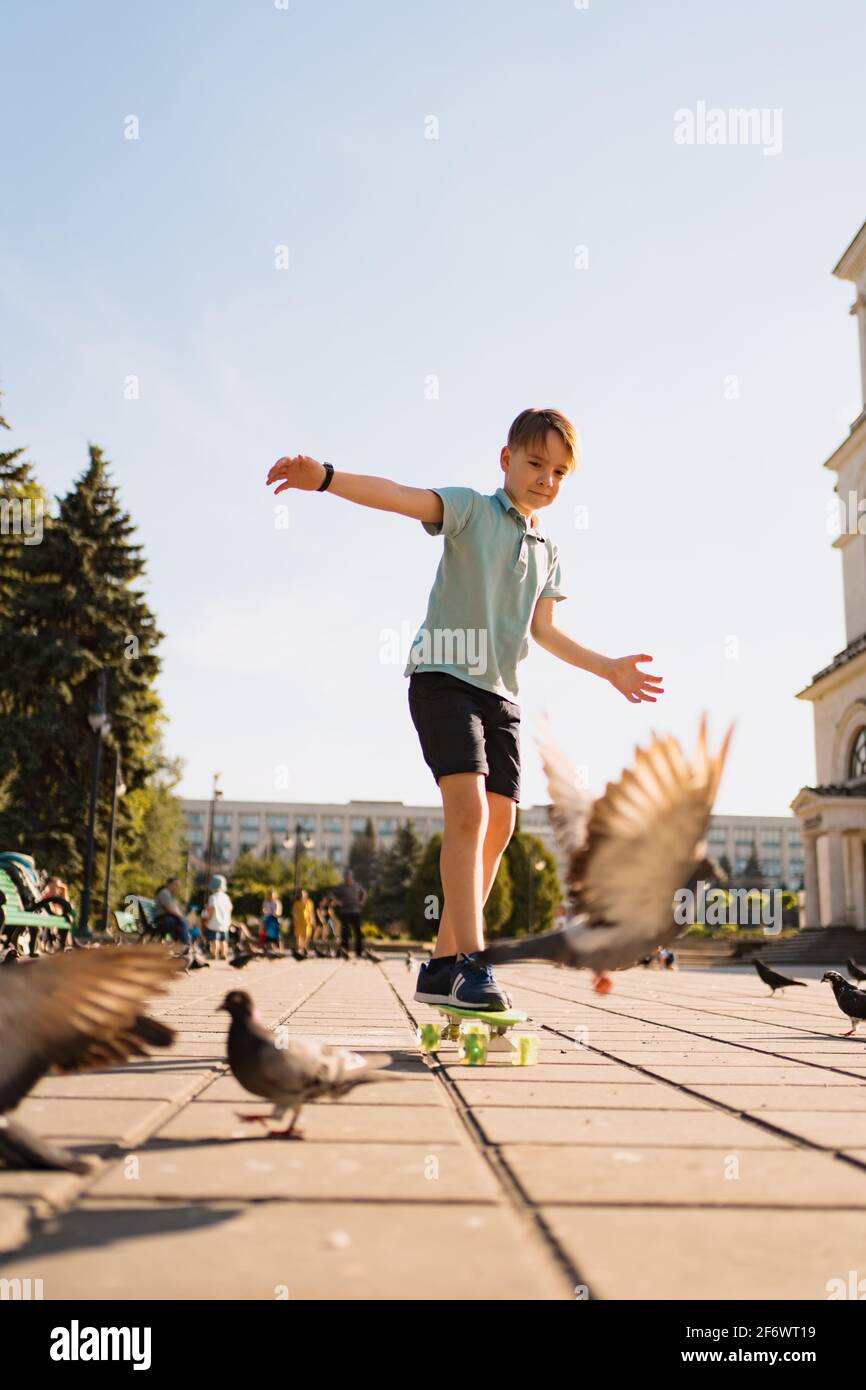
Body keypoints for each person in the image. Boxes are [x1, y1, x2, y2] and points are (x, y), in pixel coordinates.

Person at [267, 408, 664, 1010]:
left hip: (502, 696)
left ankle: (438, 964)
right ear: (506, 459)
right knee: (469, 810)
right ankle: (471, 964)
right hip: (443, 679)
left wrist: (607, 666)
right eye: (535, 464)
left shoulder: (548, 549)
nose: (545, 480)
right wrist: (323, 475)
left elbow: (546, 632)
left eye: (559, 472)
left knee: (500, 826)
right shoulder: (471, 508)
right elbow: (399, 496)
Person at [332, 870, 366, 959]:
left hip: (356, 912)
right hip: (345, 912)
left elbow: (364, 893)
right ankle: (344, 951)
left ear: (352, 877)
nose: (348, 878)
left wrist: (362, 901)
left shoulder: (357, 886)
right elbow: (331, 894)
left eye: (349, 877)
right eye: (346, 877)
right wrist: (338, 902)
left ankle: (359, 952)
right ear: (344, 878)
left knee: (358, 933)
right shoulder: (341, 887)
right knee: (345, 933)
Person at [154, 876, 192, 946]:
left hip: (167, 918)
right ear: (168, 884)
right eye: (175, 885)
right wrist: (180, 916)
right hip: (162, 919)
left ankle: (184, 944)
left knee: (183, 921)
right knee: (182, 922)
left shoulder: (170, 895)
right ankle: (186, 944)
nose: (176, 887)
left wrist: (181, 916)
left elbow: (175, 908)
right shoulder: (164, 893)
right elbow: (167, 908)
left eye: (177, 886)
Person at [202, 874, 232, 960]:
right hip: (225, 922)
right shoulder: (227, 897)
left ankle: (214, 954)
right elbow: (230, 909)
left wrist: (207, 919)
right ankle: (223, 954)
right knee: (223, 940)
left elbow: (212, 909)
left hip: (215, 922)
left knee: (214, 939)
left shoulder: (213, 897)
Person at [292, 888, 315, 956]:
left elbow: (311, 912)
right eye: (302, 894)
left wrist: (312, 919)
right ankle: (300, 948)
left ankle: (304, 948)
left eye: (304, 893)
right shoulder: (296, 903)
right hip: (299, 921)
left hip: (307, 921)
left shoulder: (309, 902)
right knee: (299, 935)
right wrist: (294, 919)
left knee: (307, 935)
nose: (303, 895)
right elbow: (294, 912)